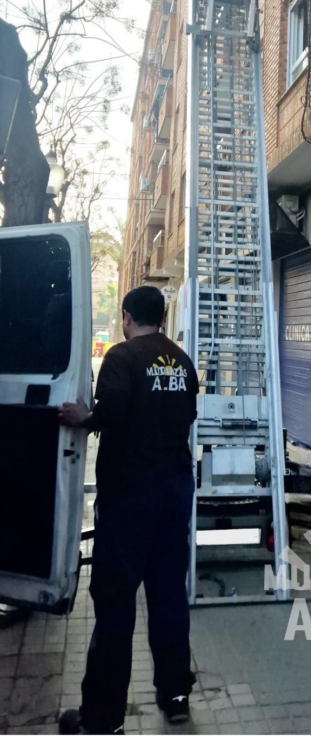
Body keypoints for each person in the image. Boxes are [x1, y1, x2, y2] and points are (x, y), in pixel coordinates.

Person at [58, 285, 198, 736]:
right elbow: (186, 417)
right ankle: (175, 693)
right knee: (168, 595)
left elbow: (111, 415)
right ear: (160, 316)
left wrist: (85, 417)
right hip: (174, 497)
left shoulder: (121, 358)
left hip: (129, 501)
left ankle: (102, 719)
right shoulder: (182, 361)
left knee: (116, 605)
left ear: (126, 316)